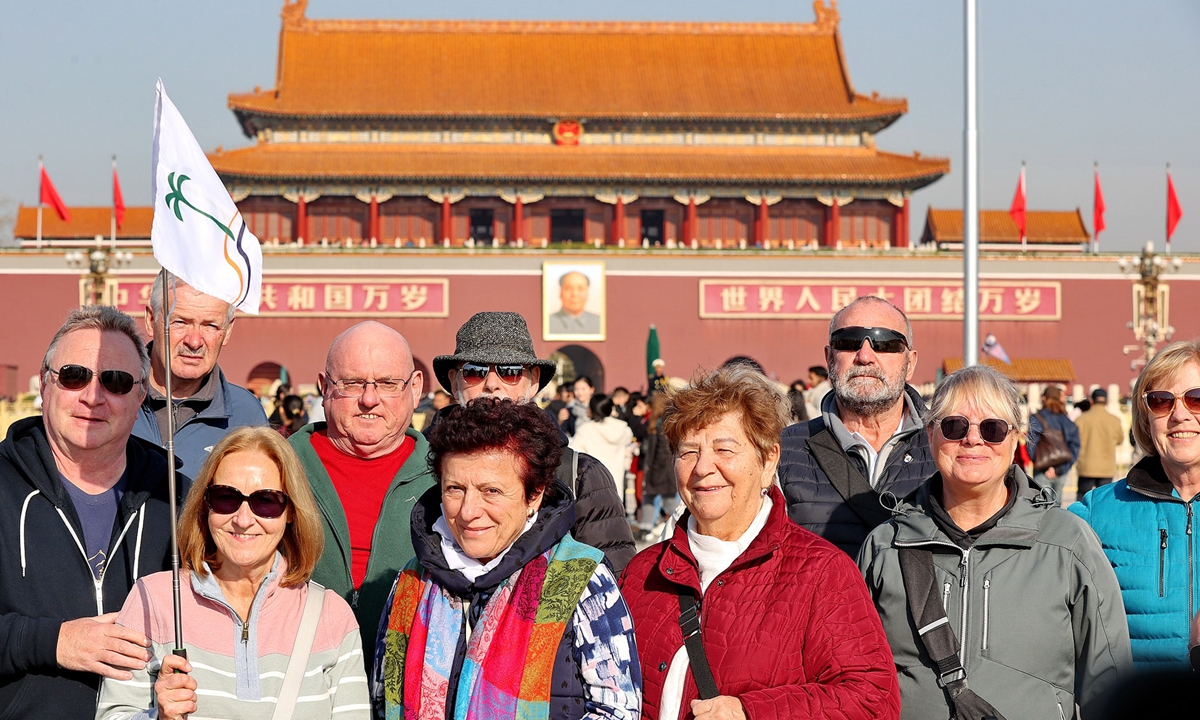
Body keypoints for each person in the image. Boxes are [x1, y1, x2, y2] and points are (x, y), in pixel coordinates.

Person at [620, 365, 901, 720]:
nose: (703, 467)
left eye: (724, 449)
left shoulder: (820, 573)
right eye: (689, 452)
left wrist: (750, 712)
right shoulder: (642, 573)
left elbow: (872, 699)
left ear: (768, 461)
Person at [858, 365, 1131, 719]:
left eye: (993, 428)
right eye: (955, 426)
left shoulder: (1067, 543)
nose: (973, 440)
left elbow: (1109, 682)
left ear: (1016, 438)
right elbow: (856, 681)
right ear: (930, 434)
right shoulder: (886, 547)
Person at [373, 398, 641, 720]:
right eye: (455, 489)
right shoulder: (413, 582)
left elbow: (618, 710)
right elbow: (382, 699)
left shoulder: (583, 580)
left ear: (534, 494)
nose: (469, 512)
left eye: (492, 491)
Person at [95, 427, 368, 719]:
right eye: (226, 497)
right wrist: (158, 717)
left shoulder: (331, 616)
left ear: (291, 512)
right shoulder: (154, 600)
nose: (243, 519)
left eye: (266, 501)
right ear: (205, 505)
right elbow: (113, 714)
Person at [0, 306, 179, 719]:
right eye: (74, 376)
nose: (93, 396)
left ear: (139, 400)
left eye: (115, 382)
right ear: (45, 386)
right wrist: (54, 642)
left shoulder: (176, 501)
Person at [431, 311, 636, 570]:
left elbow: (612, 582)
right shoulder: (419, 466)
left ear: (534, 381)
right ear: (454, 381)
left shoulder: (579, 474)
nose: (492, 384)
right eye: (474, 372)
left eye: (510, 371)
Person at [287, 321, 436, 671]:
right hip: (298, 684)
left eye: (387, 384)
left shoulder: (447, 480)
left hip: (412, 685)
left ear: (415, 388)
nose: (370, 399)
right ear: (324, 388)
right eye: (352, 384)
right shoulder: (276, 468)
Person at [1070, 340, 1200, 671]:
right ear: (1145, 420)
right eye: (1161, 402)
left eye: (1196, 399)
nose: (1180, 415)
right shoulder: (1097, 513)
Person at [778, 296, 937, 555]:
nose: (865, 357)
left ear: (911, 363)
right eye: (849, 342)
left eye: (885, 343)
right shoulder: (782, 452)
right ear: (829, 359)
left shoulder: (948, 448)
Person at [134, 274, 268, 475]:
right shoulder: (113, 398)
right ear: (151, 319)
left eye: (210, 325)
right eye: (180, 322)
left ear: (228, 329)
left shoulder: (246, 415)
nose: (195, 341)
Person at [570, 394, 635, 511]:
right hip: (616, 487)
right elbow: (628, 441)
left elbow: (574, 453)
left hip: (593, 485)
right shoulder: (623, 429)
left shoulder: (586, 430)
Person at [1027, 385, 1081, 504]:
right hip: (1062, 469)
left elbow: (1031, 444)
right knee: (1057, 508)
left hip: (1042, 469)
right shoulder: (1067, 421)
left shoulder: (1037, 418)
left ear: (1044, 398)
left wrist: (1043, 465)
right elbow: (1075, 446)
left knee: (1041, 506)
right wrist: (1060, 469)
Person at [635, 392, 677, 538]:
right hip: (662, 470)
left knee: (669, 500)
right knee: (654, 497)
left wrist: (652, 469)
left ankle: (680, 525)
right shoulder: (662, 423)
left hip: (660, 470)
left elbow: (661, 452)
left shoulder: (661, 425)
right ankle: (645, 526)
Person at [1075, 387, 1125, 500]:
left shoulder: (1081, 419)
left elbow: (1075, 440)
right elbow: (1120, 440)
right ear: (1107, 401)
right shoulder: (1114, 420)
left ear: (1091, 401)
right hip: (1106, 468)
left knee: (1082, 499)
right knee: (1103, 500)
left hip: (1086, 466)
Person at [548, 270, 602, 335]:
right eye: (568, 288)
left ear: (587, 293)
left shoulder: (600, 322)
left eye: (580, 289)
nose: (574, 294)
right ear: (560, 292)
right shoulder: (547, 322)